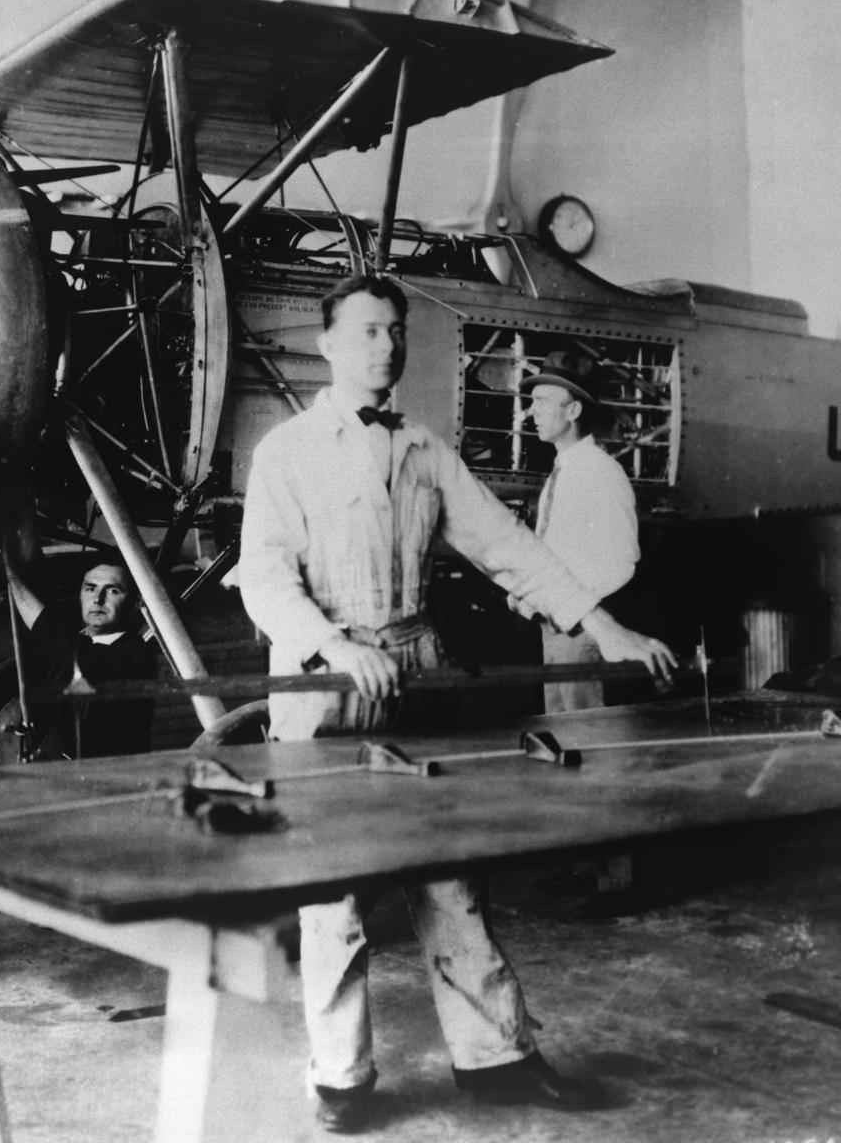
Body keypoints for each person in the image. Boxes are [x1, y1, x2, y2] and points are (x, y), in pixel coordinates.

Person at [238, 273, 676, 1133]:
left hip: (417, 667)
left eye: (395, 331)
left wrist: (605, 625)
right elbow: (264, 575)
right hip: (325, 684)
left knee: (451, 872)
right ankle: (341, 1080)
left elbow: (505, 544)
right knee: (334, 890)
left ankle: (495, 1058)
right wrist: (334, 646)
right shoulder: (284, 452)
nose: (385, 346)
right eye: (366, 331)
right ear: (327, 344)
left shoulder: (425, 447)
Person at [517, 349, 641, 713]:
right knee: (561, 732)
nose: (531, 410)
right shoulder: (564, 471)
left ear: (573, 411)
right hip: (556, 629)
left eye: (541, 400)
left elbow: (622, 560)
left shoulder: (602, 473)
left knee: (587, 737)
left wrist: (571, 604)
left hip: (581, 632)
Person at [2, 544, 157, 760]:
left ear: (136, 602)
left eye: (113, 590)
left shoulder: (134, 655)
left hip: (113, 780)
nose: (98, 599)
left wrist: (9, 568)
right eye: (90, 588)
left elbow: (50, 630)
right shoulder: (81, 641)